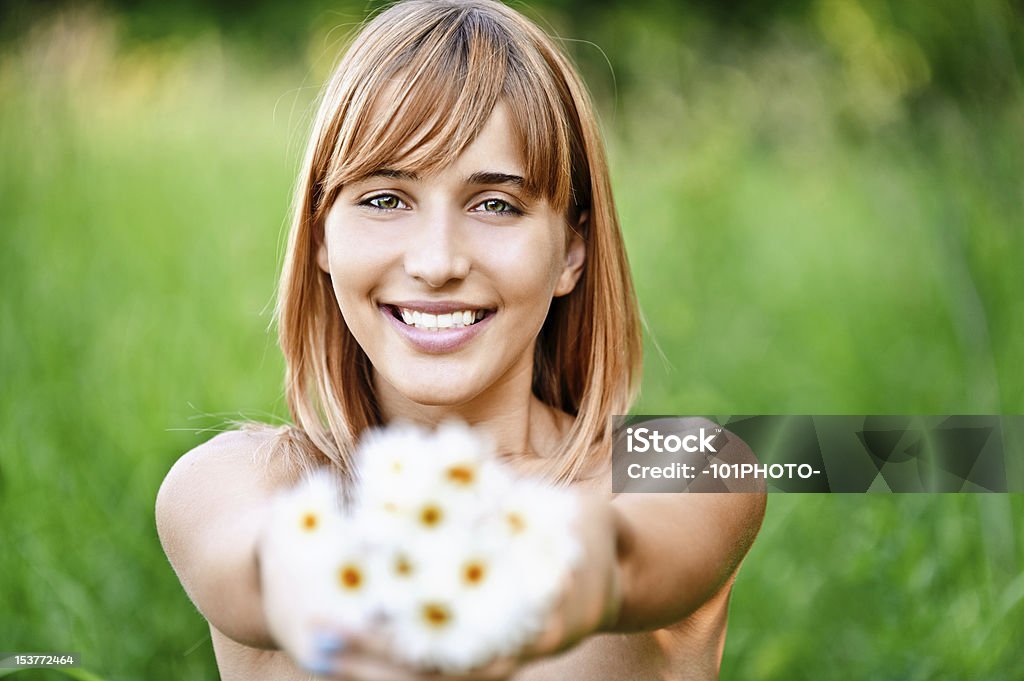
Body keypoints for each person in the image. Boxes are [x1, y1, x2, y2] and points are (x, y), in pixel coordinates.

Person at [155, 1, 766, 679]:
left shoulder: (684, 463)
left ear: (571, 249)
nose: (436, 261)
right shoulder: (241, 478)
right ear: (321, 233)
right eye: (385, 198)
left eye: (495, 204)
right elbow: (261, 570)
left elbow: (634, 550)